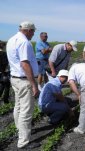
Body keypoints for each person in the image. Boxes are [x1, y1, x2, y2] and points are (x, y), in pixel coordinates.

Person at [6, 21, 40, 149]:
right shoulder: (24, 42)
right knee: (26, 111)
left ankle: (19, 130)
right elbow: (25, 64)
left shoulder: (11, 40)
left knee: (18, 107)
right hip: (24, 80)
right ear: (28, 30)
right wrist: (34, 84)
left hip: (14, 79)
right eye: (33, 31)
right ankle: (23, 142)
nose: (33, 33)